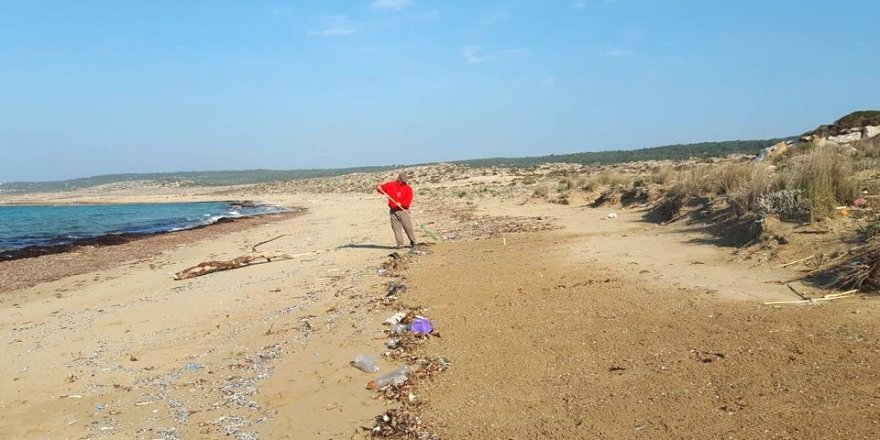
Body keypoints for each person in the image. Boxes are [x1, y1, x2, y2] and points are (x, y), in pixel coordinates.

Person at [376, 172, 417, 248]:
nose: (403, 182)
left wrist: (401, 204)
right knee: (396, 228)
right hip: (393, 211)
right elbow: (381, 189)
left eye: (405, 181)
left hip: (403, 211)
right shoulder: (391, 185)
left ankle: (414, 242)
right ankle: (400, 244)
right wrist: (378, 187)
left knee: (408, 227)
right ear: (399, 179)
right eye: (402, 180)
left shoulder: (408, 188)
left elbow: (409, 200)